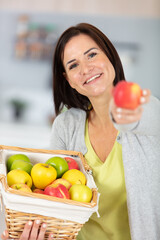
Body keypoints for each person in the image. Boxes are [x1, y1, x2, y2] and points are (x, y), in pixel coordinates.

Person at [1, 23, 160, 240]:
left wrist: (127, 114)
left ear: (110, 56)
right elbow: (53, 203)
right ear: (68, 80)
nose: (85, 69)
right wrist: (32, 230)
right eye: (73, 65)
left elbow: (146, 114)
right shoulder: (66, 126)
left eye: (92, 55)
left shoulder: (148, 110)